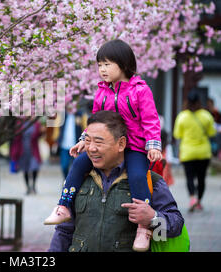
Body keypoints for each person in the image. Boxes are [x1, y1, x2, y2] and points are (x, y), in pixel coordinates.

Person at [44, 39, 163, 252]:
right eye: (100, 65)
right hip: (107, 147)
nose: (102, 69)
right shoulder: (101, 92)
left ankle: (143, 227)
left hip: (134, 146)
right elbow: (95, 121)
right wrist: (84, 140)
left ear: (124, 64)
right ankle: (64, 206)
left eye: (107, 64)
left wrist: (153, 145)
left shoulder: (140, 91)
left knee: (137, 176)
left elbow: (150, 119)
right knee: (79, 165)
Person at [48, 111, 184, 252]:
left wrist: (153, 218)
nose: (91, 148)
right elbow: (64, 231)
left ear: (121, 144)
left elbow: (176, 225)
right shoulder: (79, 180)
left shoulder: (148, 181)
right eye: (87, 141)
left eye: (99, 142)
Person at [173, 89, 216, 212]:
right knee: (201, 179)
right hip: (203, 152)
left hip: (187, 152)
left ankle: (192, 198)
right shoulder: (206, 116)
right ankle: (199, 201)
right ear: (199, 101)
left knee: (189, 177)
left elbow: (177, 135)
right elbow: (211, 133)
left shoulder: (182, 116)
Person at [10, 120, 43, 195]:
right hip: (23, 150)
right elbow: (16, 137)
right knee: (25, 169)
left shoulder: (36, 123)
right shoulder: (20, 123)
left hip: (33, 150)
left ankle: (33, 185)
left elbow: (39, 135)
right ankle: (28, 187)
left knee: (35, 167)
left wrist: (41, 131)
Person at [57, 110, 83, 179]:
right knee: (64, 166)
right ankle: (66, 180)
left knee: (76, 166)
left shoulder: (79, 114)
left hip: (76, 146)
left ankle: (72, 181)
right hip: (64, 146)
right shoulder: (63, 115)